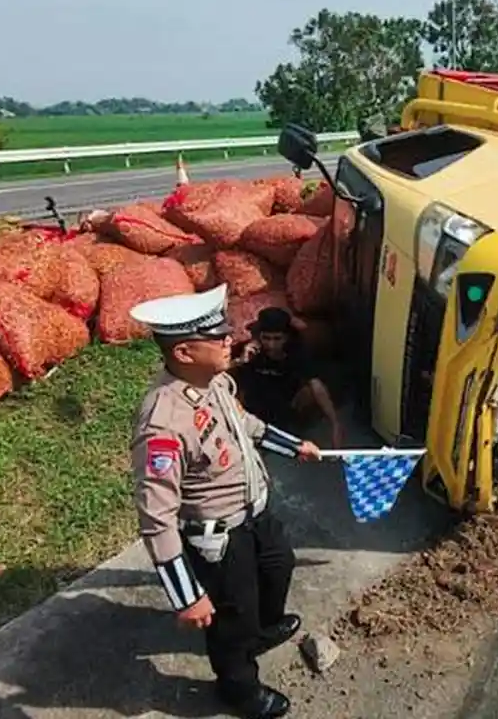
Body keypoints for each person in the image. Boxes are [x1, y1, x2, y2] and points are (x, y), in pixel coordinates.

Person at [129, 284, 320, 719]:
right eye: (216, 337)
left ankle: (265, 629)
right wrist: (187, 597)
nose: (229, 338)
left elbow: (246, 424)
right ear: (184, 353)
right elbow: (156, 518)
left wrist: (295, 447)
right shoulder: (163, 422)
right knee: (231, 621)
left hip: (255, 511)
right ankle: (240, 690)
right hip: (219, 535)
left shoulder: (214, 381)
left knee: (279, 566)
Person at [233, 306, 345, 448]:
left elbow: (316, 385)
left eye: (277, 339)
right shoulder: (249, 351)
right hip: (255, 409)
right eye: (266, 338)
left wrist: (335, 424)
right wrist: (240, 362)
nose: (271, 344)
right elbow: (225, 380)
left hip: (285, 407)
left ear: (286, 337)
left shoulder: (297, 353)